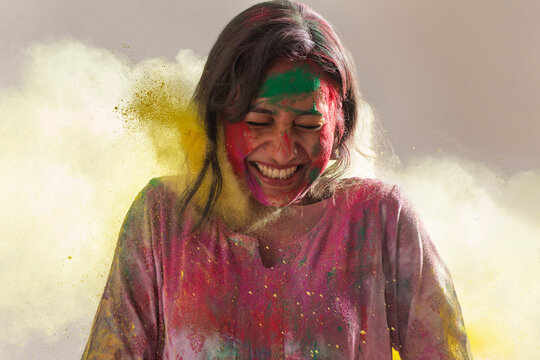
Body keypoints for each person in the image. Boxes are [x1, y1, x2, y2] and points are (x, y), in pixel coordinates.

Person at [83, 1, 471, 359]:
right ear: (218, 118)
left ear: (340, 128)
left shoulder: (382, 219)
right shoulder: (162, 217)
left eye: (307, 125)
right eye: (257, 123)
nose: (283, 152)